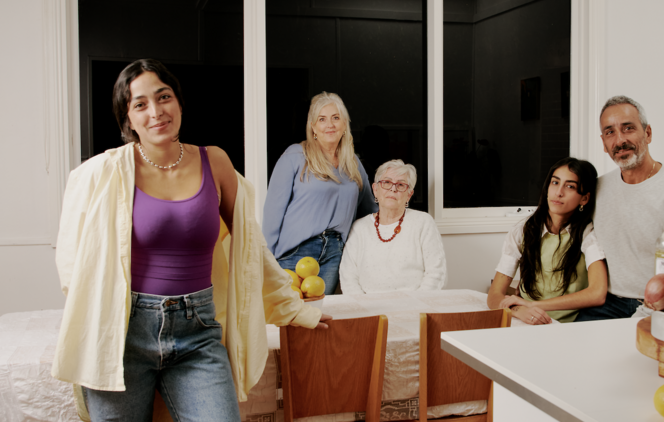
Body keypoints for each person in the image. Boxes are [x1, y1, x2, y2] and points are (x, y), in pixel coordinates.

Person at [51, 59, 331, 421]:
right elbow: (75, 263)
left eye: (163, 97)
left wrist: (293, 308)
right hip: (120, 337)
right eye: (140, 104)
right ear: (128, 119)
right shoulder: (102, 173)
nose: (156, 111)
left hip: (197, 334)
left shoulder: (214, 163)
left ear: (179, 102)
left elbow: (251, 249)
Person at [576, 95, 664, 321]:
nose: (619, 140)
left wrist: (651, 309)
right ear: (604, 144)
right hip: (608, 303)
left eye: (628, 128)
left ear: (648, 133)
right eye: (610, 132)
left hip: (663, 305)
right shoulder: (598, 188)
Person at [263, 92, 378, 295]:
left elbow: (369, 208)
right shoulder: (294, 156)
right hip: (296, 252)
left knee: (322, 316)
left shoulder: (352, 162)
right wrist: (266, 263)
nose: (330, 125)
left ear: (344, 124)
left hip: (335, 253)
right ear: (313, 127)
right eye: (322, 119)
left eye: (336, 118)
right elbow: (272, 215)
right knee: (291, 318)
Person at [487, 157, 607, 324]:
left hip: (568, 328)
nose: (559, 192)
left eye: (570, 186)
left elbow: (598, 293)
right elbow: (494, 295)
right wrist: (517, 310)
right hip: (525, 321)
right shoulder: (522, 231)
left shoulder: (588, 234)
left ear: (584, 199)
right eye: (555, 183)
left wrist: (532, 304)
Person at [339, 160, 446, 293]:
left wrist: (416, 305)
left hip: (414, 307)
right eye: (387, 182)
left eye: (401, 184)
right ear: (375, 190)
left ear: (409, 195)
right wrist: (364, 308)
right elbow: (348, 277)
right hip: (368, 307)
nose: (393, 189)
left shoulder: (423, 222)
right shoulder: (359, 228)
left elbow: (436, 273)